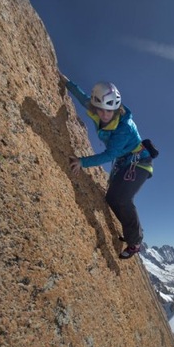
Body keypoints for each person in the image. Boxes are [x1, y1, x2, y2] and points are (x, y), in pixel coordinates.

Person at [61, 74, 153, 259]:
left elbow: (109, 154)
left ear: (117, 108)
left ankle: (135, 242)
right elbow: (83, 97)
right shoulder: (97, 108)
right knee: (111, 198)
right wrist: (66, 81)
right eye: (101, 110)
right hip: (125, 162)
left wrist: (82, 162)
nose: (104, 115)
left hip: (140, 162)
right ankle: (131, 231)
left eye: (109, 111)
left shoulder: (124, 128)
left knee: (123, 198)